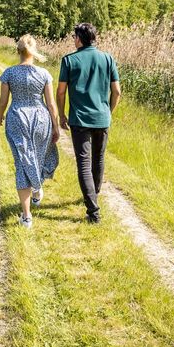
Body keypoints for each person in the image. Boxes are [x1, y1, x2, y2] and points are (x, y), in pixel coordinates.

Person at [56, 22, 121, 223]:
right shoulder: (108, 59)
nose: (73, 40)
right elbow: (117, 91)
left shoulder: (69, 60)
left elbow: (60, 91)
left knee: (84, 164)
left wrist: (61, 114)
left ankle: (93, 211)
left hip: (80, 120)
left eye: (74, 36)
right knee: (98, 159)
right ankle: (94, 195)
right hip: (102, 119)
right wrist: (108, 112)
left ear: (79, 38)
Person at [0, 34, 61, 228]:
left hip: (17, 118)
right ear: (33, 51)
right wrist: (55, 126)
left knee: (22, 162)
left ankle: (27, 216)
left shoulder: (9, 73)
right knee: (37, 156)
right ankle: (36, 188)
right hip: (41, 119)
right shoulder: (44, 74)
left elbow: (3, 100)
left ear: (18, 51)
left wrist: (0, 115)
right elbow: (50, 104)